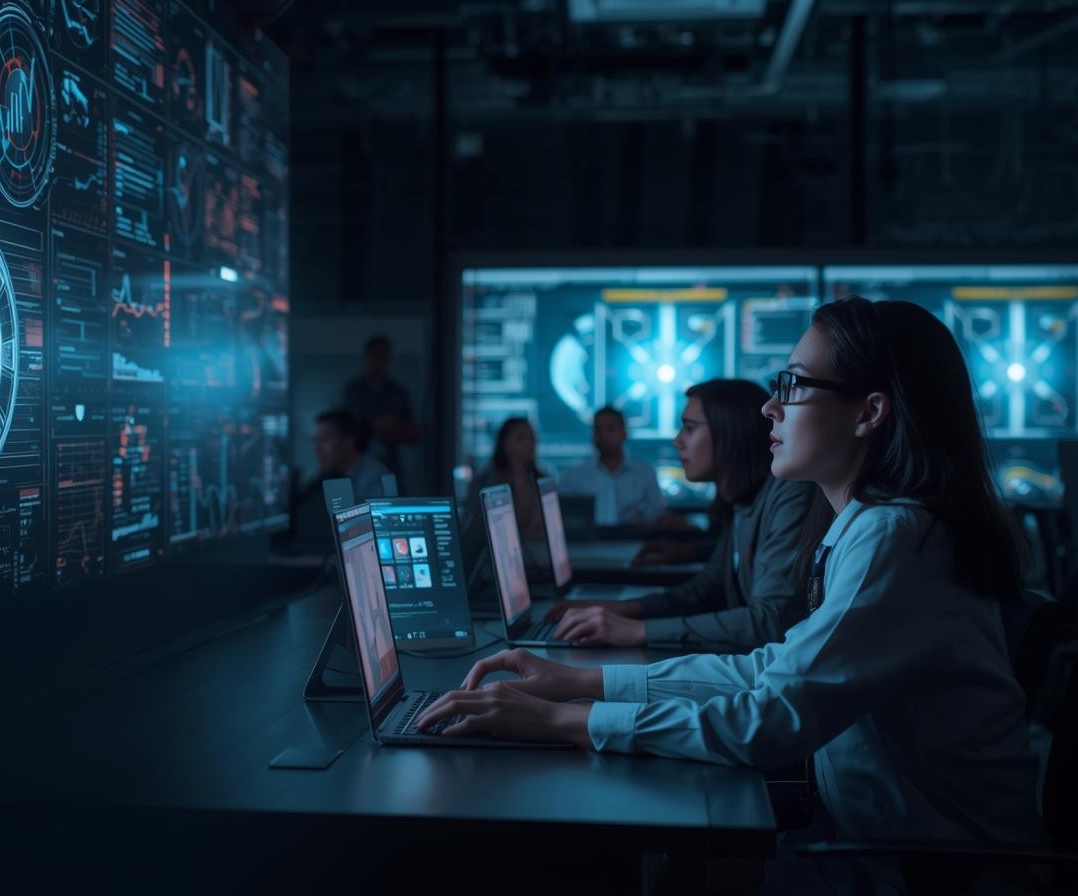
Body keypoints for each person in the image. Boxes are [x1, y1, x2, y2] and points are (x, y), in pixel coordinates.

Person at [416, 298, 1041, 879]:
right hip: (877, 851)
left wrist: (563, 720)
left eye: (792, 386)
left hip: (923, 873)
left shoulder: (896, 538)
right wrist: (583, 681)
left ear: (870, 412)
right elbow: (774, 670)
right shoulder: (870, 526)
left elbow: (770, 718)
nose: (771, 408)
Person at [546, 380, 822, 652]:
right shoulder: (739, 501)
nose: (678, 441)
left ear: (730, 433)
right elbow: (709, 587)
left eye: (689, 428)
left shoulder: (789, 493)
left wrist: (637, 631)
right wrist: (625, 610)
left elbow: (769, 621)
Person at [557, 406, 665, 526]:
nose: (603, 435)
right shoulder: (573, 476)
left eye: (610, 429)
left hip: (633, 542)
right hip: (588, 543)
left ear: (624, 432)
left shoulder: (645, 473)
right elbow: (559, 518)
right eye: (597, 430)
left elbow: (660, 514)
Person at [340, 336, 421, 479]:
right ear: (367, 357)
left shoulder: (397, 392)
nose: (379, 360)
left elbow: (412, 432)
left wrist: (392, 429)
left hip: (391, 464)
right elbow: (345, 428)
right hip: (359, 464)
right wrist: (374, 424)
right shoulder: (353, 391)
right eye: (375, 355)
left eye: (384, 355)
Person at [463, 417, 545, 538]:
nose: (529, 443)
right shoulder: (486, 484)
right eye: (521, 438)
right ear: (505, 443)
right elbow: (476, 530)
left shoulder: (540, 481)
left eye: (532, 438)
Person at [312, 408, 390, 502]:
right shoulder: (332, 478)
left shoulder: (374, 477)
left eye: (325, 439)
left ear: (348, 442)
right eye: (316, 440)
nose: (317, 449)